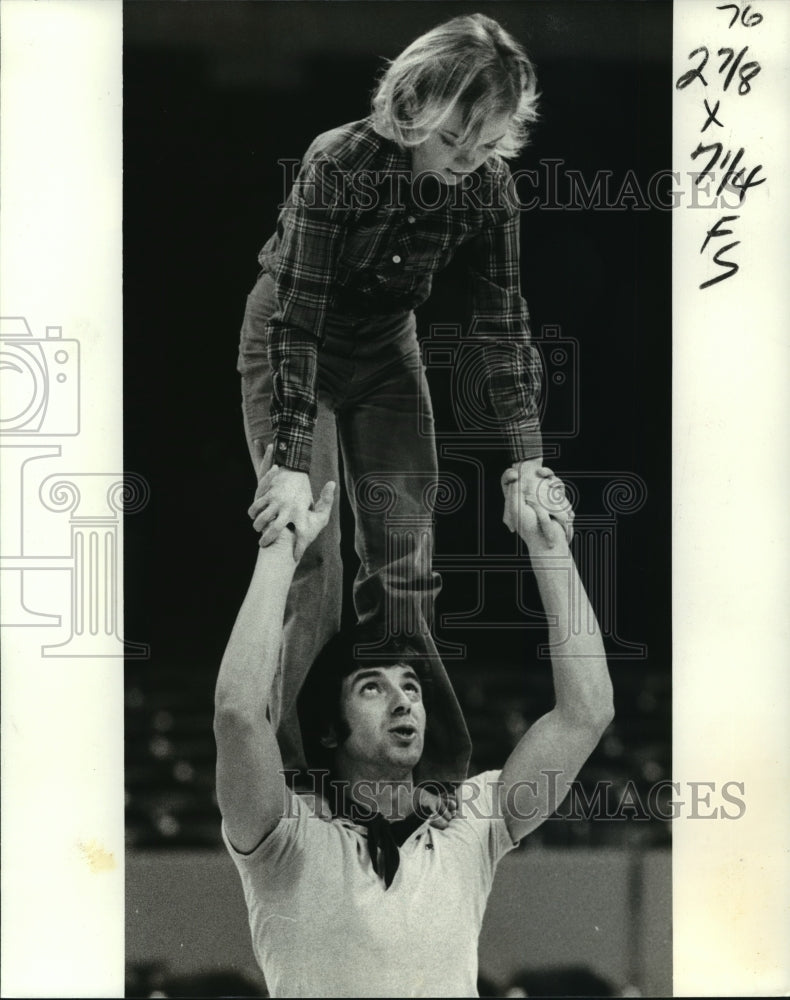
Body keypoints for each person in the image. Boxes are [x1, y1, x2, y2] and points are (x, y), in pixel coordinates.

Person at [236, 13, 573, 774]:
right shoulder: (342, 159)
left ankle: (410, 766)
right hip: (295, 339)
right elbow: (298, 318)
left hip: (387, 347)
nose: (467, 159)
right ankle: (297, 768)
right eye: (456, 138)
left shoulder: (488, 188)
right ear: (413, 103)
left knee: (403, 562)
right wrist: (290, 456)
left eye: (487, 144)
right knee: (311, 556)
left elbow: (502, 325)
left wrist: (526, 459)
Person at [214, 447, 613, 998]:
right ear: (329, 729)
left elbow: (586, 714)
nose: (403, 701)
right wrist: (281, 546)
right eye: (372, 687)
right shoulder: (286, 839)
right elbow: (238, 714)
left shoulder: (469, 827)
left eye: (411, 685)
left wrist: (549, 544)